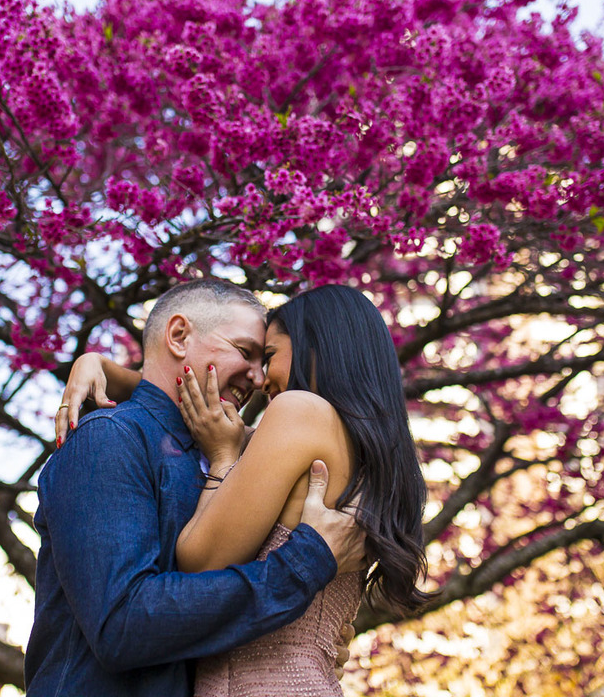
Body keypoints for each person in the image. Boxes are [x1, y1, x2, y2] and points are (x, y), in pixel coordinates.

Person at [58, 284, 428, 696]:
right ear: (178, 336)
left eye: (268, 357)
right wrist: (101, 368)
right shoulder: (358, 444)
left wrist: (222, 462)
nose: (260, 378)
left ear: (316, 347)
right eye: (249, 353)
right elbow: (176, 405)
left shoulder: (298, 414)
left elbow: (200, 564)